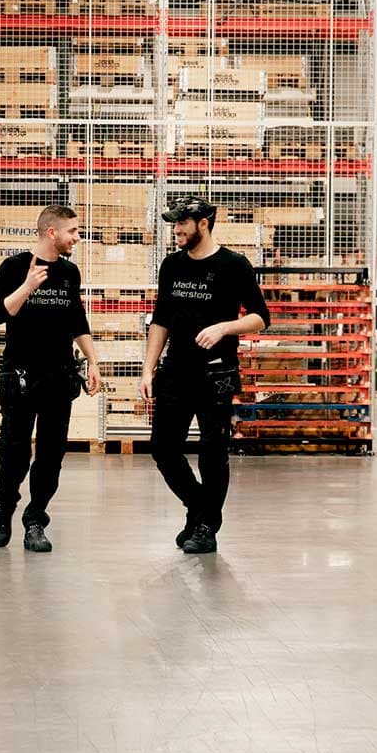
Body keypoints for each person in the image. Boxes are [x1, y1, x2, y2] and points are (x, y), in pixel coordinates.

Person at [144, 196, 269, 555]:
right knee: (163, 449)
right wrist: (148, 369)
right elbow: (161, 319)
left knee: (213, 453)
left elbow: (261, 316)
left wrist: (225, 328)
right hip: (175, 371)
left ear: (204, 223)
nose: (177, 230)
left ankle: (205, 527)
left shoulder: (234, 265)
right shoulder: (171, 266)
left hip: (218, 374)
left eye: (182, 223)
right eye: (174, 224)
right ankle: (200, 510)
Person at [0, 205, 101, 553]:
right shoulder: (14, 267)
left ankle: (35, 519)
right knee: (14, 452)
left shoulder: (69, 273)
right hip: (20, 375)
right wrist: (26, 286)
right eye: (73, 231)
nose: (77, 238)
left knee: (52, 455)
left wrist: (93, 362)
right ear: (52, 232)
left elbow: (76, 320)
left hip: (58, 375)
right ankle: (4, 509)